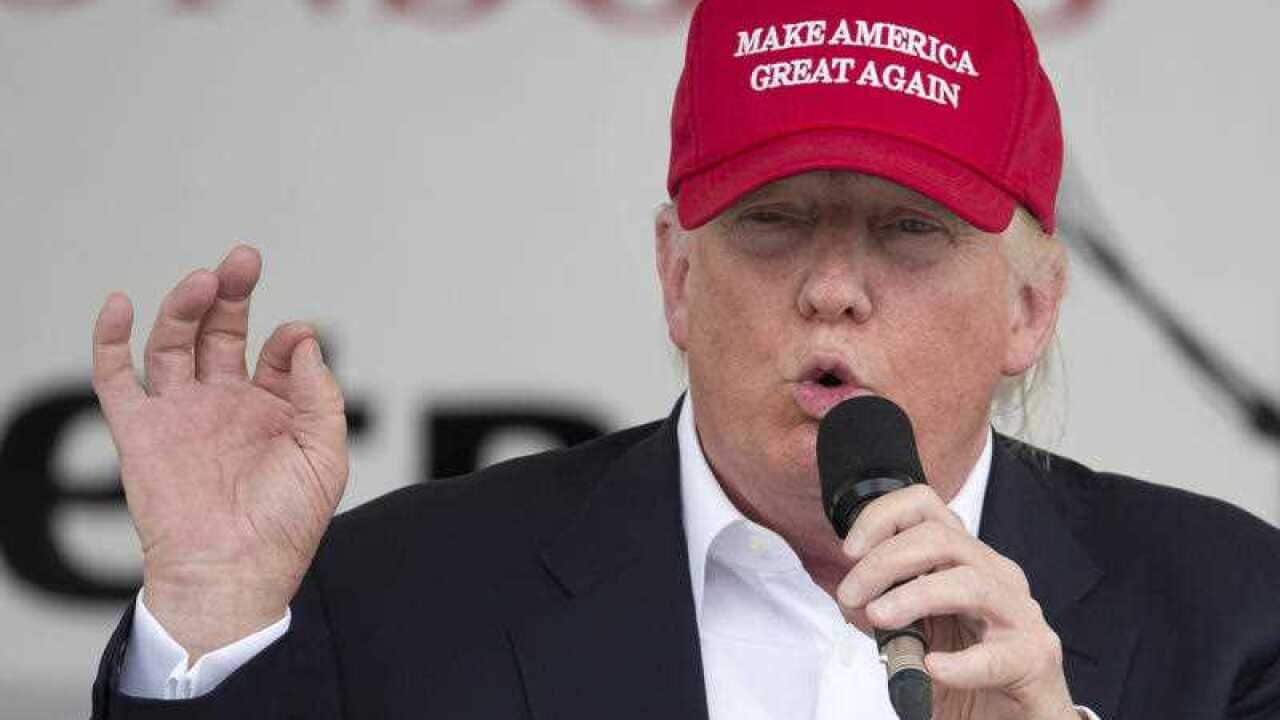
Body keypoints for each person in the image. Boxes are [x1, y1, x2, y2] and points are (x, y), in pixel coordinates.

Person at [89, 0, 1280, 718]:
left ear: (1031, 306)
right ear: (675, 275)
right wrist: (210, 625)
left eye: (907, 230)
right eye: (771, 220)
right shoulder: (400, 598)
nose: (830, 288)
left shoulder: (1230, 615)